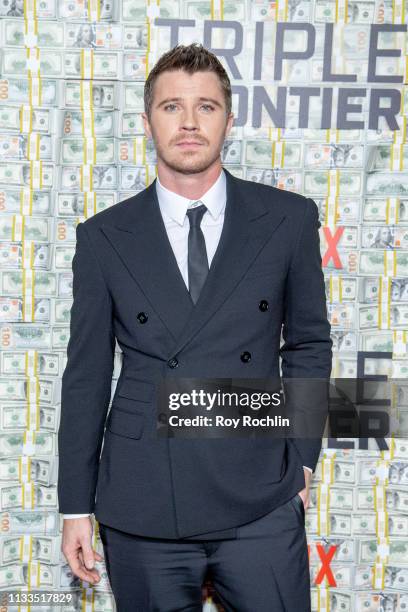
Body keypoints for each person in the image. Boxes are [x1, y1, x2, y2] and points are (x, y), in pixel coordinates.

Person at [58, 43, 332, 611]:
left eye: (205, 107)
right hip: (144, 498)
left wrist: (302, 457)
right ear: (146, 121)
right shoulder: (104, 237)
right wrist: (74, 506)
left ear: (229, 120)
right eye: (171, 107)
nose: (188, 123)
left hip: (259, 492)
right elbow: (85, 375)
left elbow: (307, 344)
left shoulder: (288, 219)